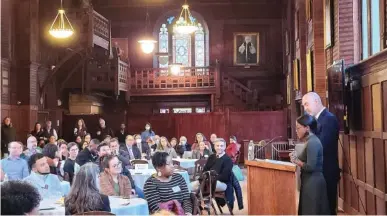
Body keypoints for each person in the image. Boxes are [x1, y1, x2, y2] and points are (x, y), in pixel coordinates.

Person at [302, 92, 340, 215]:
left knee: (327, 209)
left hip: (326, 173)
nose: (305, 108)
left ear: (316, 101)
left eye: (306, 104)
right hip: (317, 173)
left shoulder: (329, 119)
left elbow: (322, 146)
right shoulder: (315, 120)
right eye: (303, 105)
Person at [290, 114, 330, 215]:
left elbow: (310, 166)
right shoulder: (309, 141)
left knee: (311, 211)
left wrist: (296, 160)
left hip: (313, 182)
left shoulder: (313, 142)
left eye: (298, 128)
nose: (296, 130)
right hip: (309, 180)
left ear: (307, 128)